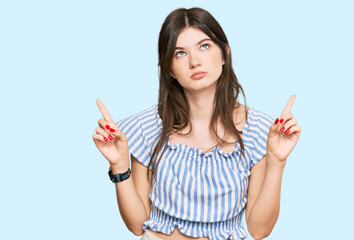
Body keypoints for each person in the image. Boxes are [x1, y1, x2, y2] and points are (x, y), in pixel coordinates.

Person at [92, 7, 301, 240]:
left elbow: (258, 229)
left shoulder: (258, 129)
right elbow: (137, 225)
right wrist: (120, 166)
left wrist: (277, 162)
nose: (194, 61)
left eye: (204, 46)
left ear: (224, 53)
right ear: (169, 68)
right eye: (180, 53)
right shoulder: (147, 127)